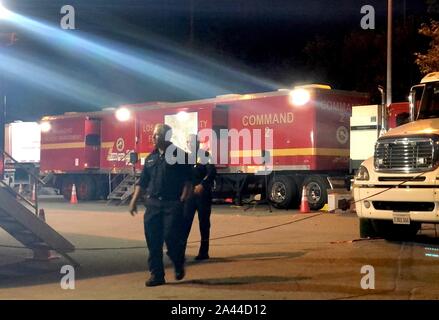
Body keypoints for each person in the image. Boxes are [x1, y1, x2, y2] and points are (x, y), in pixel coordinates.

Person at [129, 124, 192, 287]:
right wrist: (134, 200)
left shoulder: (180, 156)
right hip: (153, 204)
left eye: (156, 135)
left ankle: (178, 261)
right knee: (153, 240)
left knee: (171, 238)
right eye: (153, 135)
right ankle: (157, 275)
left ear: (166, 137)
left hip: (172, 204)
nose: (153, 138)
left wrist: (183, 200)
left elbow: (188, 181)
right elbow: (142, 182)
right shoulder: (151, 158)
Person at [183, 134, 217, 260]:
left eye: (191, 141)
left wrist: (202, 185)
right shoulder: (185, 158)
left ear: (197, 143)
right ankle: (181, 252)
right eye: (188, 141)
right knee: (185, 223)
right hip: (189, 196)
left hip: (203, 195)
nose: (189, 143)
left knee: (204, 224)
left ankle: (204, 252)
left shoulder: (205, 155)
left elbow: (212, 172)